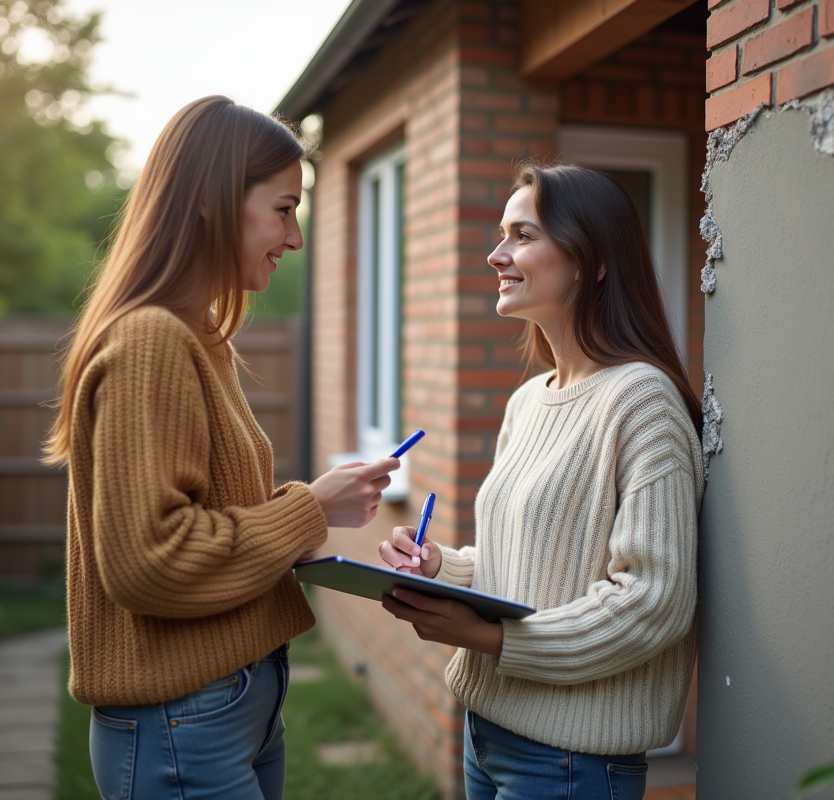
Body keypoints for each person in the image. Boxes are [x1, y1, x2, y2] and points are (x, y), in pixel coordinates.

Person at [43, 96, 399, 800]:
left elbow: (200, 517)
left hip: (228, 708)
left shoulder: (197, 337)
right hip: (184, 721)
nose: (294, 238)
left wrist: (300, 521)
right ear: (213, 201)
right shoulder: (152, 341)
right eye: (284, 209)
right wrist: (307, 510)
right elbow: (151, 560)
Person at [378, 163, 705, 800]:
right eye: (503, 235)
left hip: (570, 760)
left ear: (591, 260)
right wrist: (440, 567)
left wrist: (484, 636)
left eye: (522, 235)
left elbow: (650, 602)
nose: (497, 254)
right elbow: (524, 565)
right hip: (489, 731)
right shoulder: (530, 400)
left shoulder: (641, 402)